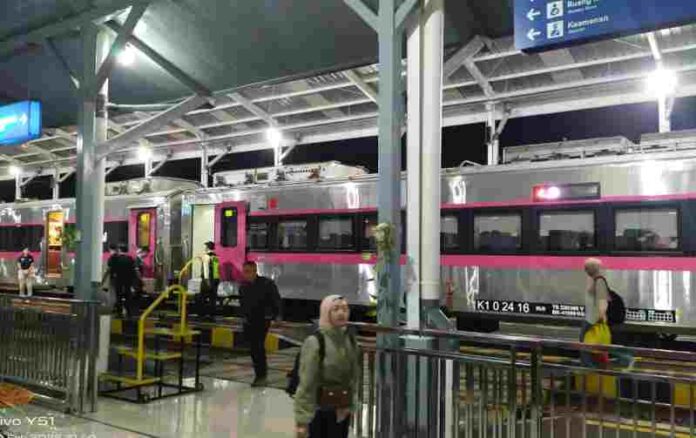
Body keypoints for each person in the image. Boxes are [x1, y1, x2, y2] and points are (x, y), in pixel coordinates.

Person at [295, 295, 360, 438]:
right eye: (335, 309)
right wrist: (302, 420)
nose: (341, 313)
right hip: (319, 411)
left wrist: (351, 405)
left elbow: (354, 376)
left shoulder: (349, 339)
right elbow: (306, 383)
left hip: (341, 409)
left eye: (345, 309)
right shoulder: (316, 342)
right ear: (326, 312)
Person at [239, 260, 281, 387]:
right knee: (253, 348)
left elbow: (276, 300)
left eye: (248, 271)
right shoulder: (243, 287)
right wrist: (243, 317)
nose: (246, 274)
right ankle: (260, 373)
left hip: (262, 319)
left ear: (254, 271)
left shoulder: (266, 284)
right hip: (249, 321)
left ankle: (261, 375)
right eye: (244, 272)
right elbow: (243, 304)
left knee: (258, 346)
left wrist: (277, 316)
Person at [581, 258, 609, 367]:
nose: (585, 270)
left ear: (593, 269)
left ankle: (589, 368)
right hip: (590, 319)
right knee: (588, 346)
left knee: (587, 346)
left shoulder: (599, 281)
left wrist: (600, 317)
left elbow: (603, 301)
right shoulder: (594, 280)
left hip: (594, 320)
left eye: (587, 267)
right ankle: (589, 367)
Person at [113, 243, 136, 318]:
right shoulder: (130, 259)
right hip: (128, 281)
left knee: (118, 297)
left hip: (118, 280)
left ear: (119, 250)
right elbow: (133, 271)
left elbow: (112, 269)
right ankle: (129, 312)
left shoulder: (116, 259)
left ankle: (119, 312)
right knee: (128, 296)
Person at [200, 241, 220, 321]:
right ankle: (212, 315)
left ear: (207, 248)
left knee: (203, 297)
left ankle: (203, 314)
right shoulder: (216, 257)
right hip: (215, 280)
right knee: (212, 299)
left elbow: (206, 270)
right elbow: (216, 270)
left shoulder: (206, 256)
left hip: (207, 280)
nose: (204, 248)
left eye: (205, 247)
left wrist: (206, 280)